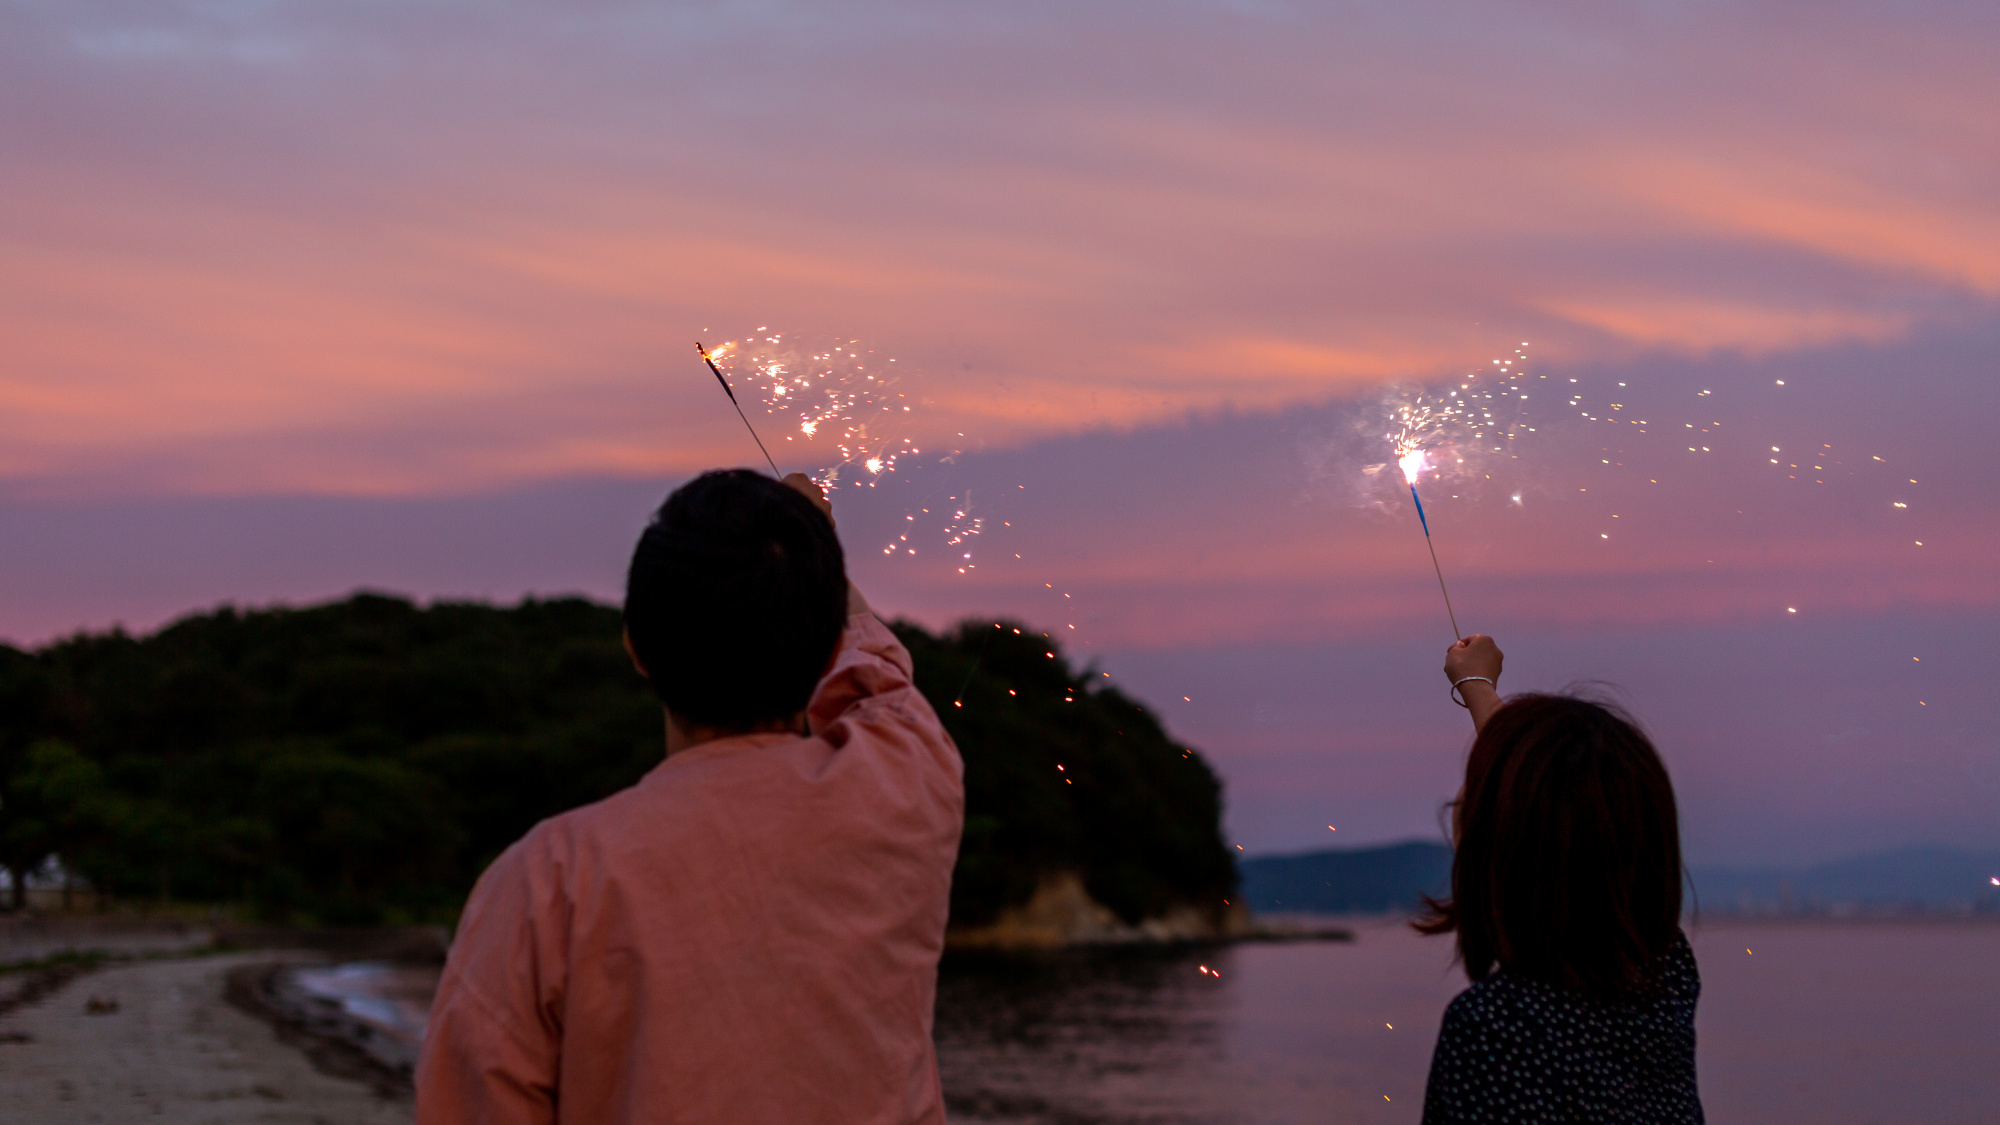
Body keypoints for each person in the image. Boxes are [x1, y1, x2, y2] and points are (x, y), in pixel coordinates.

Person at [416, 470, 965, 1125]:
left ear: (636, 649)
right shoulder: (907, 791)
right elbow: (884, 689)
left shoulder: (546, 882)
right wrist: (805, 555)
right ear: (825, 658)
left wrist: (799, 558)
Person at [1416, 635, 1703, 1124]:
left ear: (1498, 854)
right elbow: (1577, 818)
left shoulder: (1496, 1031)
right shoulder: (1664, 981)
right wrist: (1477, 686)